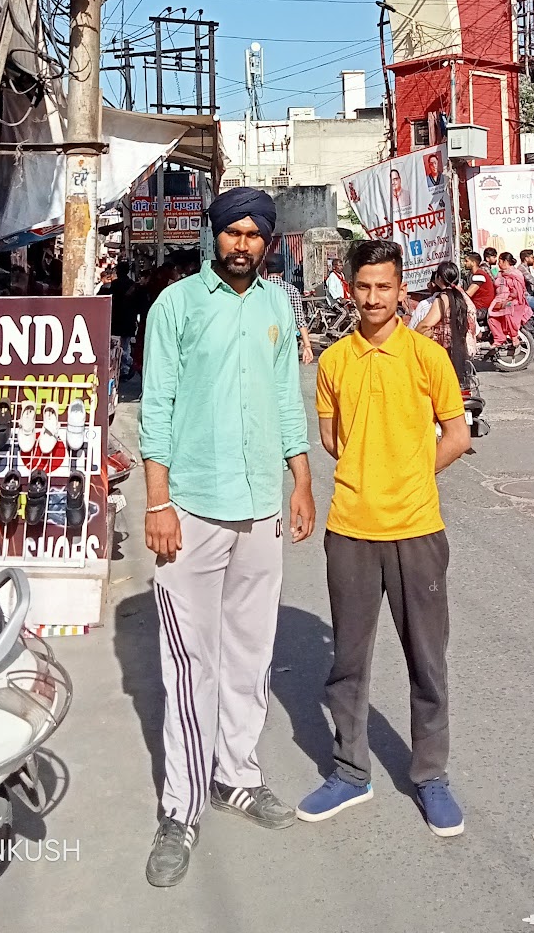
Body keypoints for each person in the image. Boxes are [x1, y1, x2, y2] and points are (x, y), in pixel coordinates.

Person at [139, 187, 316, 887]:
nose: (242, 245)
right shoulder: (176, 306)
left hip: (260, 506)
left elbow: (285, 399)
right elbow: (156, 407)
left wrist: (301, 481)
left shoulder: (277, 306)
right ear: (214, 236)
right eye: (232, 232)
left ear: (268, 242)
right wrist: (158, 501)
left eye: (254, 235)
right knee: (191, 664)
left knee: (250, 652)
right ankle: (180, 810)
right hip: (191, 506)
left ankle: (236, 776)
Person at [298, 238, 471, 838]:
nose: (373, 298)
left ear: (401, 291)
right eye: (364, 287)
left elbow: (457, 435)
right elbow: (332, 438)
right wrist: (370, 473)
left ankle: (431, 776)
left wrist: (410, 476)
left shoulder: (427, 357)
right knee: (348, 662)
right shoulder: (334, 361)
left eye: (384, 287)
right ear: (351, 289)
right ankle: (351, 772)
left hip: (418, 530)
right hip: (350, 529)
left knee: (426, 660)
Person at [412, 261, 478, 380]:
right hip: (466, 353)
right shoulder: (464, 297)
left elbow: (424, 325)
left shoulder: (443, 298)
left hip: (446, 354)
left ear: (438, 278)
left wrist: (412, 339)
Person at [265, 255, 314, 365]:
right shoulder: (291, 290)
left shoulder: (258, 289)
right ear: (282, 271)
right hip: (287, 340)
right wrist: (307, 345)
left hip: (263, 340)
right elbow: (300, 320)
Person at [100, 258, 142, 378]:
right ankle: (125, 367)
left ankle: (128, 364)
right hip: (128, 319)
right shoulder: (132, 285)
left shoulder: (116, 284)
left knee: (117, 345)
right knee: (125, 345)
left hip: (117, 318)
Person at [488, 251, 533, 347]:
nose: (498, 264)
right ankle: (499, 338)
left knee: (508, 310)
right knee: (491, 316)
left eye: (500, 261)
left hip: (513, 301)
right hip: (498, 300)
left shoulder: (516, 274)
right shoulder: (499, 274)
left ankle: (514, 336)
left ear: (505, 261)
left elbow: (517, 292)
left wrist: (508, 299)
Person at [463, 250, 495, 316]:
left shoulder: (479, 275)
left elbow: (469, 293)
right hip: (479, 307)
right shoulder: (473, 275)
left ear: (473, 263)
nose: (464, 263)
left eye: (466, 261)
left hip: (481, 309)